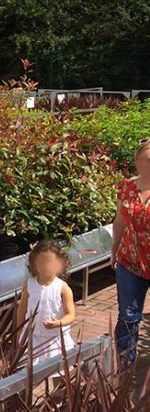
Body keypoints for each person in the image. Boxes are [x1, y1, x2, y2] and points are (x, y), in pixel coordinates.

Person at [111, 138, 150, 364]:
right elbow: (119, 222)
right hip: (130, 260)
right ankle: (125, 364)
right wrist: (114, 250)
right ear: (136, 161)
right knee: (127, 316)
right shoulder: (126, 187)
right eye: (144, 160)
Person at [17, 239, 76, 364]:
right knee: (30, 374)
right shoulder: (29, 284)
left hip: (55, 339)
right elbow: (22, 308)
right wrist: (19, 331)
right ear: (34, 264)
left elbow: (71, 314)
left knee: (59, 372)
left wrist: (59, 322)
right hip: (33, 338)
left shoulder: (63, 288)